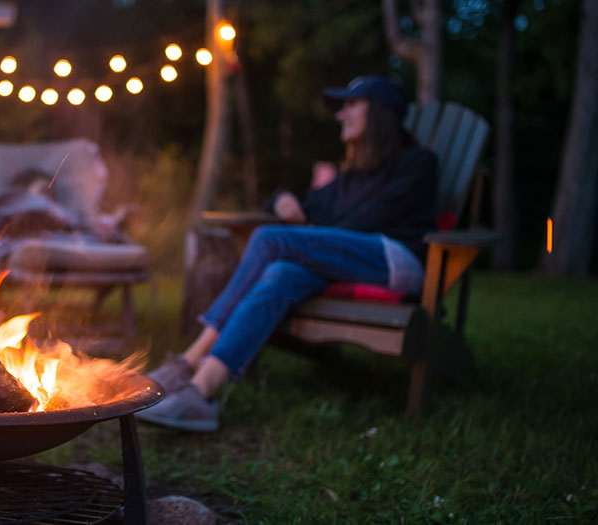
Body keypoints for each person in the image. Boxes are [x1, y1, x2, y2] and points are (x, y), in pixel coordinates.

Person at [137, 76, 438, 432]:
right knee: (280, 273)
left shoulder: (418, 162)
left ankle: (189, 361)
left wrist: (305, 236)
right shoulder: (349, 179)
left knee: (270, 239)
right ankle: (202, 393)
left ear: (381, 112)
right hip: (345, 262)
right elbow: (307, 208)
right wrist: (281, 199)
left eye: (351, 105)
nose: (341, 115)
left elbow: (366, 223)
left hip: (394, 261)